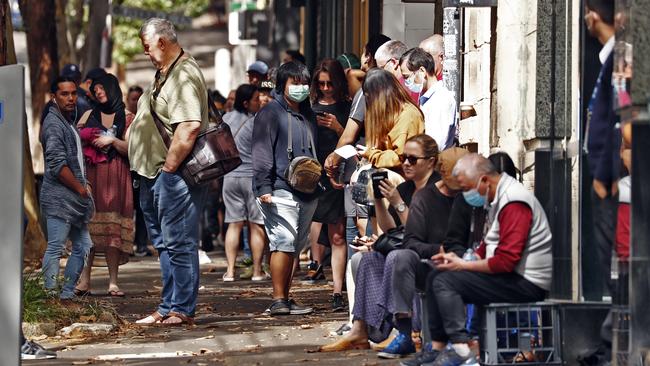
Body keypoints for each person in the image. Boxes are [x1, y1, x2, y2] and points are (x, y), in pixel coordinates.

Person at [419, 153, 552, 366]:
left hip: (525, 282)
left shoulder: (514, 201)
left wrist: (465, 265)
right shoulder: (498, 197)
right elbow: (489, 244)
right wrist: (460, 259)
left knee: (445, 282)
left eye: (466, 188)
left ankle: (464, 349)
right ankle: (438, 346)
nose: (466, 194)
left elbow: (506, 261)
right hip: (509, 276)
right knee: (438, 273)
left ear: (484, 180)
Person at [319, 134, 439, 353]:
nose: (406, 164)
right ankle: (360, 330)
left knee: (396, 257)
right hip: (408, 251)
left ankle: (402, 332)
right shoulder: (406, 189)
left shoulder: (437, 190)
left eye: (413, 159)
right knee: (364, 259)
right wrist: (378, 201)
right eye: (404, 158)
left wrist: (398, 204)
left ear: (430, 161)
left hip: (428, 254)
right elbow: (394, 230)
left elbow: (420, 234)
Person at [128, 18, 209, 326]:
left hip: (172, 175)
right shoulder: (165, 72)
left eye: (147, 47)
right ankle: (168, 305)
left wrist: (168, 171)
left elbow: (188, 127)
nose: (146, 53)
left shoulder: (184, 74)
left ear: (162, 42)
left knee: (179, 242)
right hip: (153, 173)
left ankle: (181, 308)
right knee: (164, 244)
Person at [252, 61, 319, 316]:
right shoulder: (269, 113)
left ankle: (287, 297)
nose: (301, 88)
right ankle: (278, 299)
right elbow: (261, 153)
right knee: (284, 241)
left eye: (304, 83)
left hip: (308, 190)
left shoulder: (308, 113)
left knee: (295, 245)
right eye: (295, 83)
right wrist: (263, 187)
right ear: (283, 85)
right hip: (279, 188)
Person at [74, 73, 134, 297]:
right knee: (88, 229)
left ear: (112, 88)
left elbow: (132, 150)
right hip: (92, 176)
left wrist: (113, 141)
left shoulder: (128, 118)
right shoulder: (88, 114)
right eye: (95, 89)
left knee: (112, 231)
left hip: (117, 177)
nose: (98, 92)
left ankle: (113, 282)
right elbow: (76, 142)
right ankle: (84, 280)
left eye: (102, 88)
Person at [40, 76, 94, 301]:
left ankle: (67, 293)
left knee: (84, 245)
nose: (71, 98)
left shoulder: (67, 120)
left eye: (74, 93)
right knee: (56, 247)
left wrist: (84, 184)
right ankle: (51, 296)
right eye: (64, 94)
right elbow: (56, 164)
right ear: (54, 97)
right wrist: (80, 188)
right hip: (59, 199)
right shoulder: (53, 124)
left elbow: (76, 159)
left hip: (74, 200)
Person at [303, 59, 351, 312]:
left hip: (339, 173)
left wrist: (337, 127)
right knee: (311, 223)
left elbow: (353, 140)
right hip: (313, 174)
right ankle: (314, 263)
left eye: (330, 83)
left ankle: (337, 290)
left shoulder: (347, 107)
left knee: (338, 234)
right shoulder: (309, 108)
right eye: (320, 84)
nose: (325, 89)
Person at [584, 0, 619, 301]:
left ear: (593, 16)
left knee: (614, 256)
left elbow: (618, 120)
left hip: (610, 176)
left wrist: (605, 174)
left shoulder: (620, 58)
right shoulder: (608, 58)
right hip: (603, 171)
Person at [222, 84, 267, 282]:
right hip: (251, 177)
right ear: (246, 103)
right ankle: (257, 271)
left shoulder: (226, 118)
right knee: (256, 225)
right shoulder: (257, 122)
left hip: (230, 177)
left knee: (234, 224)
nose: (260, 102)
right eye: (257, 99)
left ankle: (230, 271)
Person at [361, 68, 424, 169]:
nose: (369, 104)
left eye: (369, 98)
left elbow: (400, 158)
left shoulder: (408, 115)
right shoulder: (391, 113)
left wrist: (372, 155)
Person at [400, 48, 457, 150]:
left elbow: (436, 144)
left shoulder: (440, 99)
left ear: (422, 71)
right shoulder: (426, 98)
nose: (406, 82)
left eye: (407, 77)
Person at [125, 85, 151, 257]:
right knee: (127, 209)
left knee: (142, 208)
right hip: (126, 170)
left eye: (138, 99)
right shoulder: (124, 118)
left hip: (142, 169)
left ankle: (141, 244)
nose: (136, 102)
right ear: (128, 100)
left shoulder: (146, 118)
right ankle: (127, 245)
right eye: (133, 99)